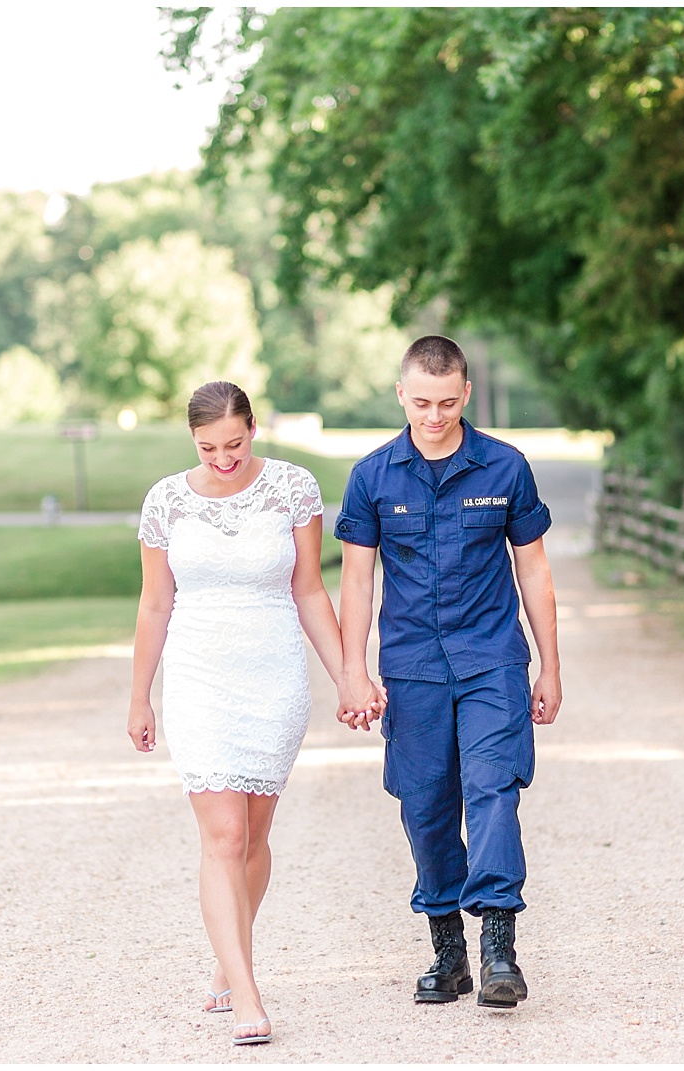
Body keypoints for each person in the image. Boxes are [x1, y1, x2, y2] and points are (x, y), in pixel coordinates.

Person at [129, 381, 383, 1046]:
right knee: (224, 838)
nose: (222, 458)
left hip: (272, 673)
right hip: (198, 676)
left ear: (254, 429)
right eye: (208, 447)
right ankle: (246, 996)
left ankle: (225, 957)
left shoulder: (294, 489)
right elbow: (155, 605)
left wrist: (350, 677)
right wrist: (139, 695)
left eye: (234, 443)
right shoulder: (165, 501)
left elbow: (308, 589)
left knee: (254, 837)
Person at [334, 335, 562, 1010]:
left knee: (493, 788)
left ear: (466, 394)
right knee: (427, 804)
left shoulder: (506, 467)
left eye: (447, 402)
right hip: (413, 668)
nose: (434, 416)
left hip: (492, 658)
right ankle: (448, 951)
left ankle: (499, 947)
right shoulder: (373, 476)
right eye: (421, 402)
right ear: (401, 395)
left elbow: (535, 568)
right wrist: (352, 669)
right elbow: (355, 579)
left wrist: (551, 663)